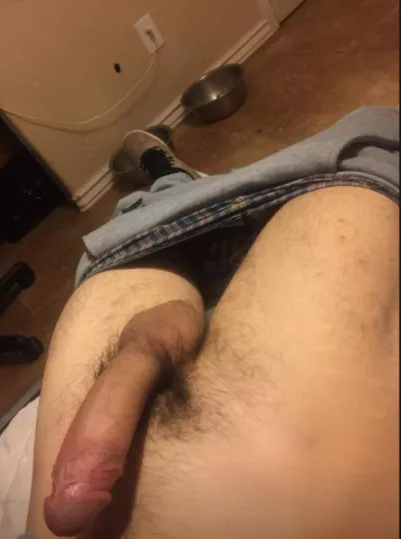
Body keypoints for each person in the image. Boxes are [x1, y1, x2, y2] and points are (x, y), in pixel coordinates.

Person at [23, 106, 399, 539]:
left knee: (144, 225)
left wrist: (141, 350)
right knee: (365, 139)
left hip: (135, 252)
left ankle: (169, 179)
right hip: (331, 192)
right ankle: (173, 182)